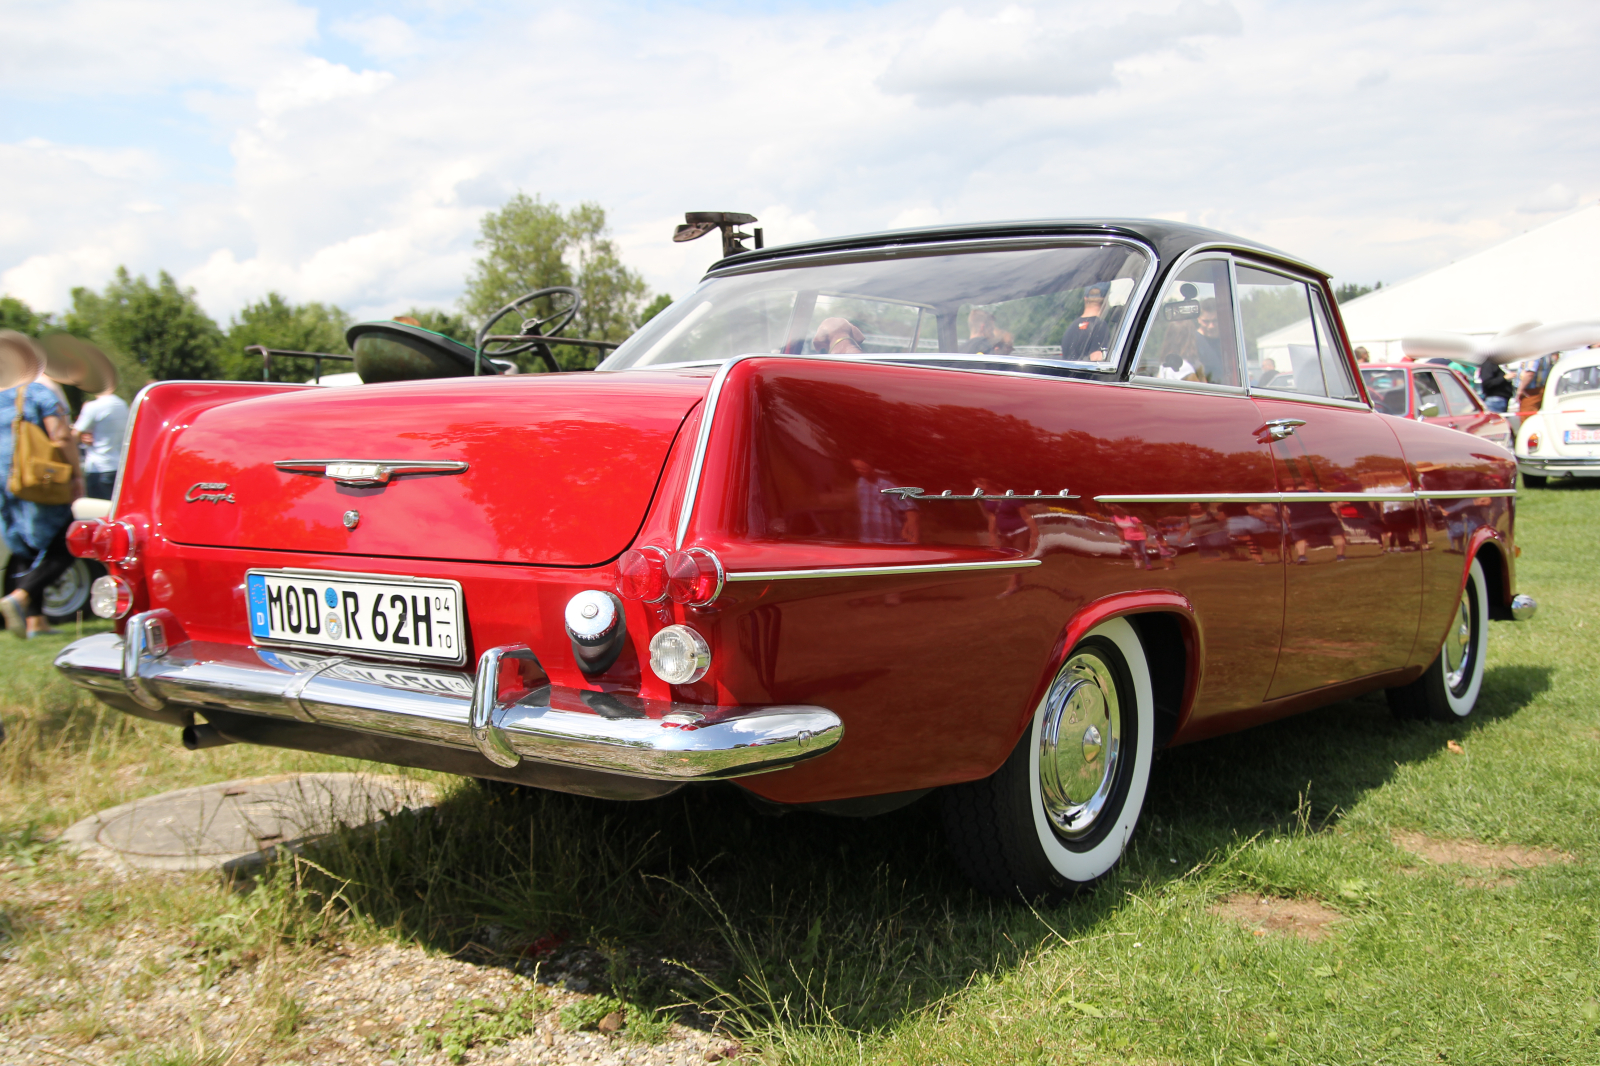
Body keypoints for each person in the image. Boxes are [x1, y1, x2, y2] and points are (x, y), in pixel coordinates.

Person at [0, 331, 83, 638]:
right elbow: (60, 436)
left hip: (4, 482)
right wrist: (77, 475)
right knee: (69, 539)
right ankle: (19, 598)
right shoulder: (36, 392)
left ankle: (36, 621)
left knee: (24, 545)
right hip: (38, 477)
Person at [73, 374, 127, 500]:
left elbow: (74, 435)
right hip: (118, 466)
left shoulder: (93, 406)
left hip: (99, 467)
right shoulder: (122, 404)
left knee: (99, 513)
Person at [1060, 284, 1111, 361]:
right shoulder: (1100, 326)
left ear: (1085, 298)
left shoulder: (1071, 328)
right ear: (1106, 299)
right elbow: (1097, 359)